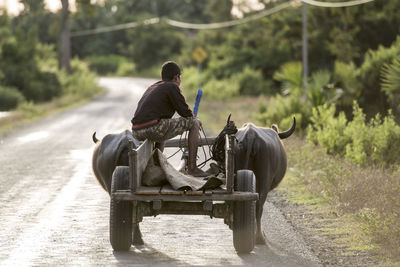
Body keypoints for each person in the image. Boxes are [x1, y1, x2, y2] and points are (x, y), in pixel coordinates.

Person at [131, 61, 207, 177]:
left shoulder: (153, 86)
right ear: (176, 77)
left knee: (164, 123)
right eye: (180, 77)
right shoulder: (172, 86)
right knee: (194, 123)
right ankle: (192, 168)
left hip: (136, 130)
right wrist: (195, 120)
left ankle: (157, 165)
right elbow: (185, 113)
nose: (180, 80)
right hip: (153, 128)